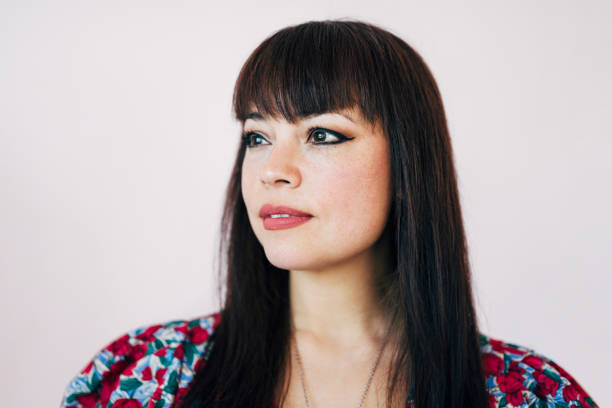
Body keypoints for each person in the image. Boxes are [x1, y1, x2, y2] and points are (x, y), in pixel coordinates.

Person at [60, 20, 599, 408]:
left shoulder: (531, 395)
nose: (274, 169)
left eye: (321, 134)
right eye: (257, 136)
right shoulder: (141, 378)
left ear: (410, 161)